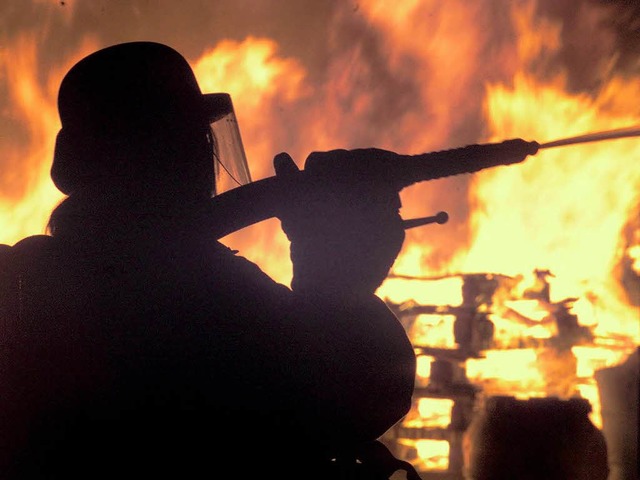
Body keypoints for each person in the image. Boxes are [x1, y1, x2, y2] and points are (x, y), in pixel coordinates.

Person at [0, 41, 417, 479]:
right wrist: (337, 283)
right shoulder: (200, 289)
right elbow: (359, 396)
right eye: (190, 146)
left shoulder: (26, 280)